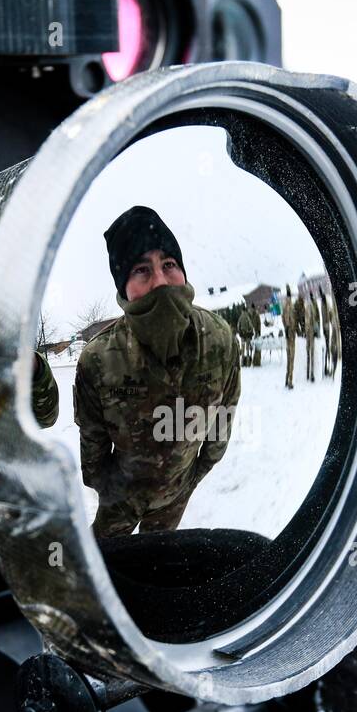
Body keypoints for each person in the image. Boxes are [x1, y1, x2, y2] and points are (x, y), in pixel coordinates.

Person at [74, 206, 240, 538]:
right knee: (109, 571)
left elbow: (222, 422)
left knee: (157, 573)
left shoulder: (219, 340)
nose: (161, 281)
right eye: (141, 270)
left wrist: (190, 479)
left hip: (176, 498)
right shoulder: (98, 360)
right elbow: (92, 454)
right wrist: (114, 491)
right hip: (120, 503)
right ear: (124, 288)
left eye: (168, 264)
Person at [281, 285, 298, 389]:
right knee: (291, 359)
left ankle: (286, 379)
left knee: (288, 358)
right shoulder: (290, 305)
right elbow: (289, 319)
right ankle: (290, 381)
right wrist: (289, 328)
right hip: (290, 335)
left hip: (288, 334)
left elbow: (283, 318)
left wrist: (285, 328)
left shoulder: (284, 305)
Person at [322, 291, 341, 377]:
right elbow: (328, 316)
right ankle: (331, 368)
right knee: (331, 350)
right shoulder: (331, 308)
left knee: (335, 350)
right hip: (332, 332)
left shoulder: (336, 309)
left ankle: (333, 369)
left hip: (336, 334)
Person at [236, 303, 257, 369]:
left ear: (242, 310)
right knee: (247, 349)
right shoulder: (247, 317)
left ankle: (242, 363)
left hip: (242, 335)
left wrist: (240, 332)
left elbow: (238, 326)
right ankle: (248, 362)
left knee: (242, 349)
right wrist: (250, 331)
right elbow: (251, 326)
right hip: (247, 335)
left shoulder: (240, 317)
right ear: (245, 310)